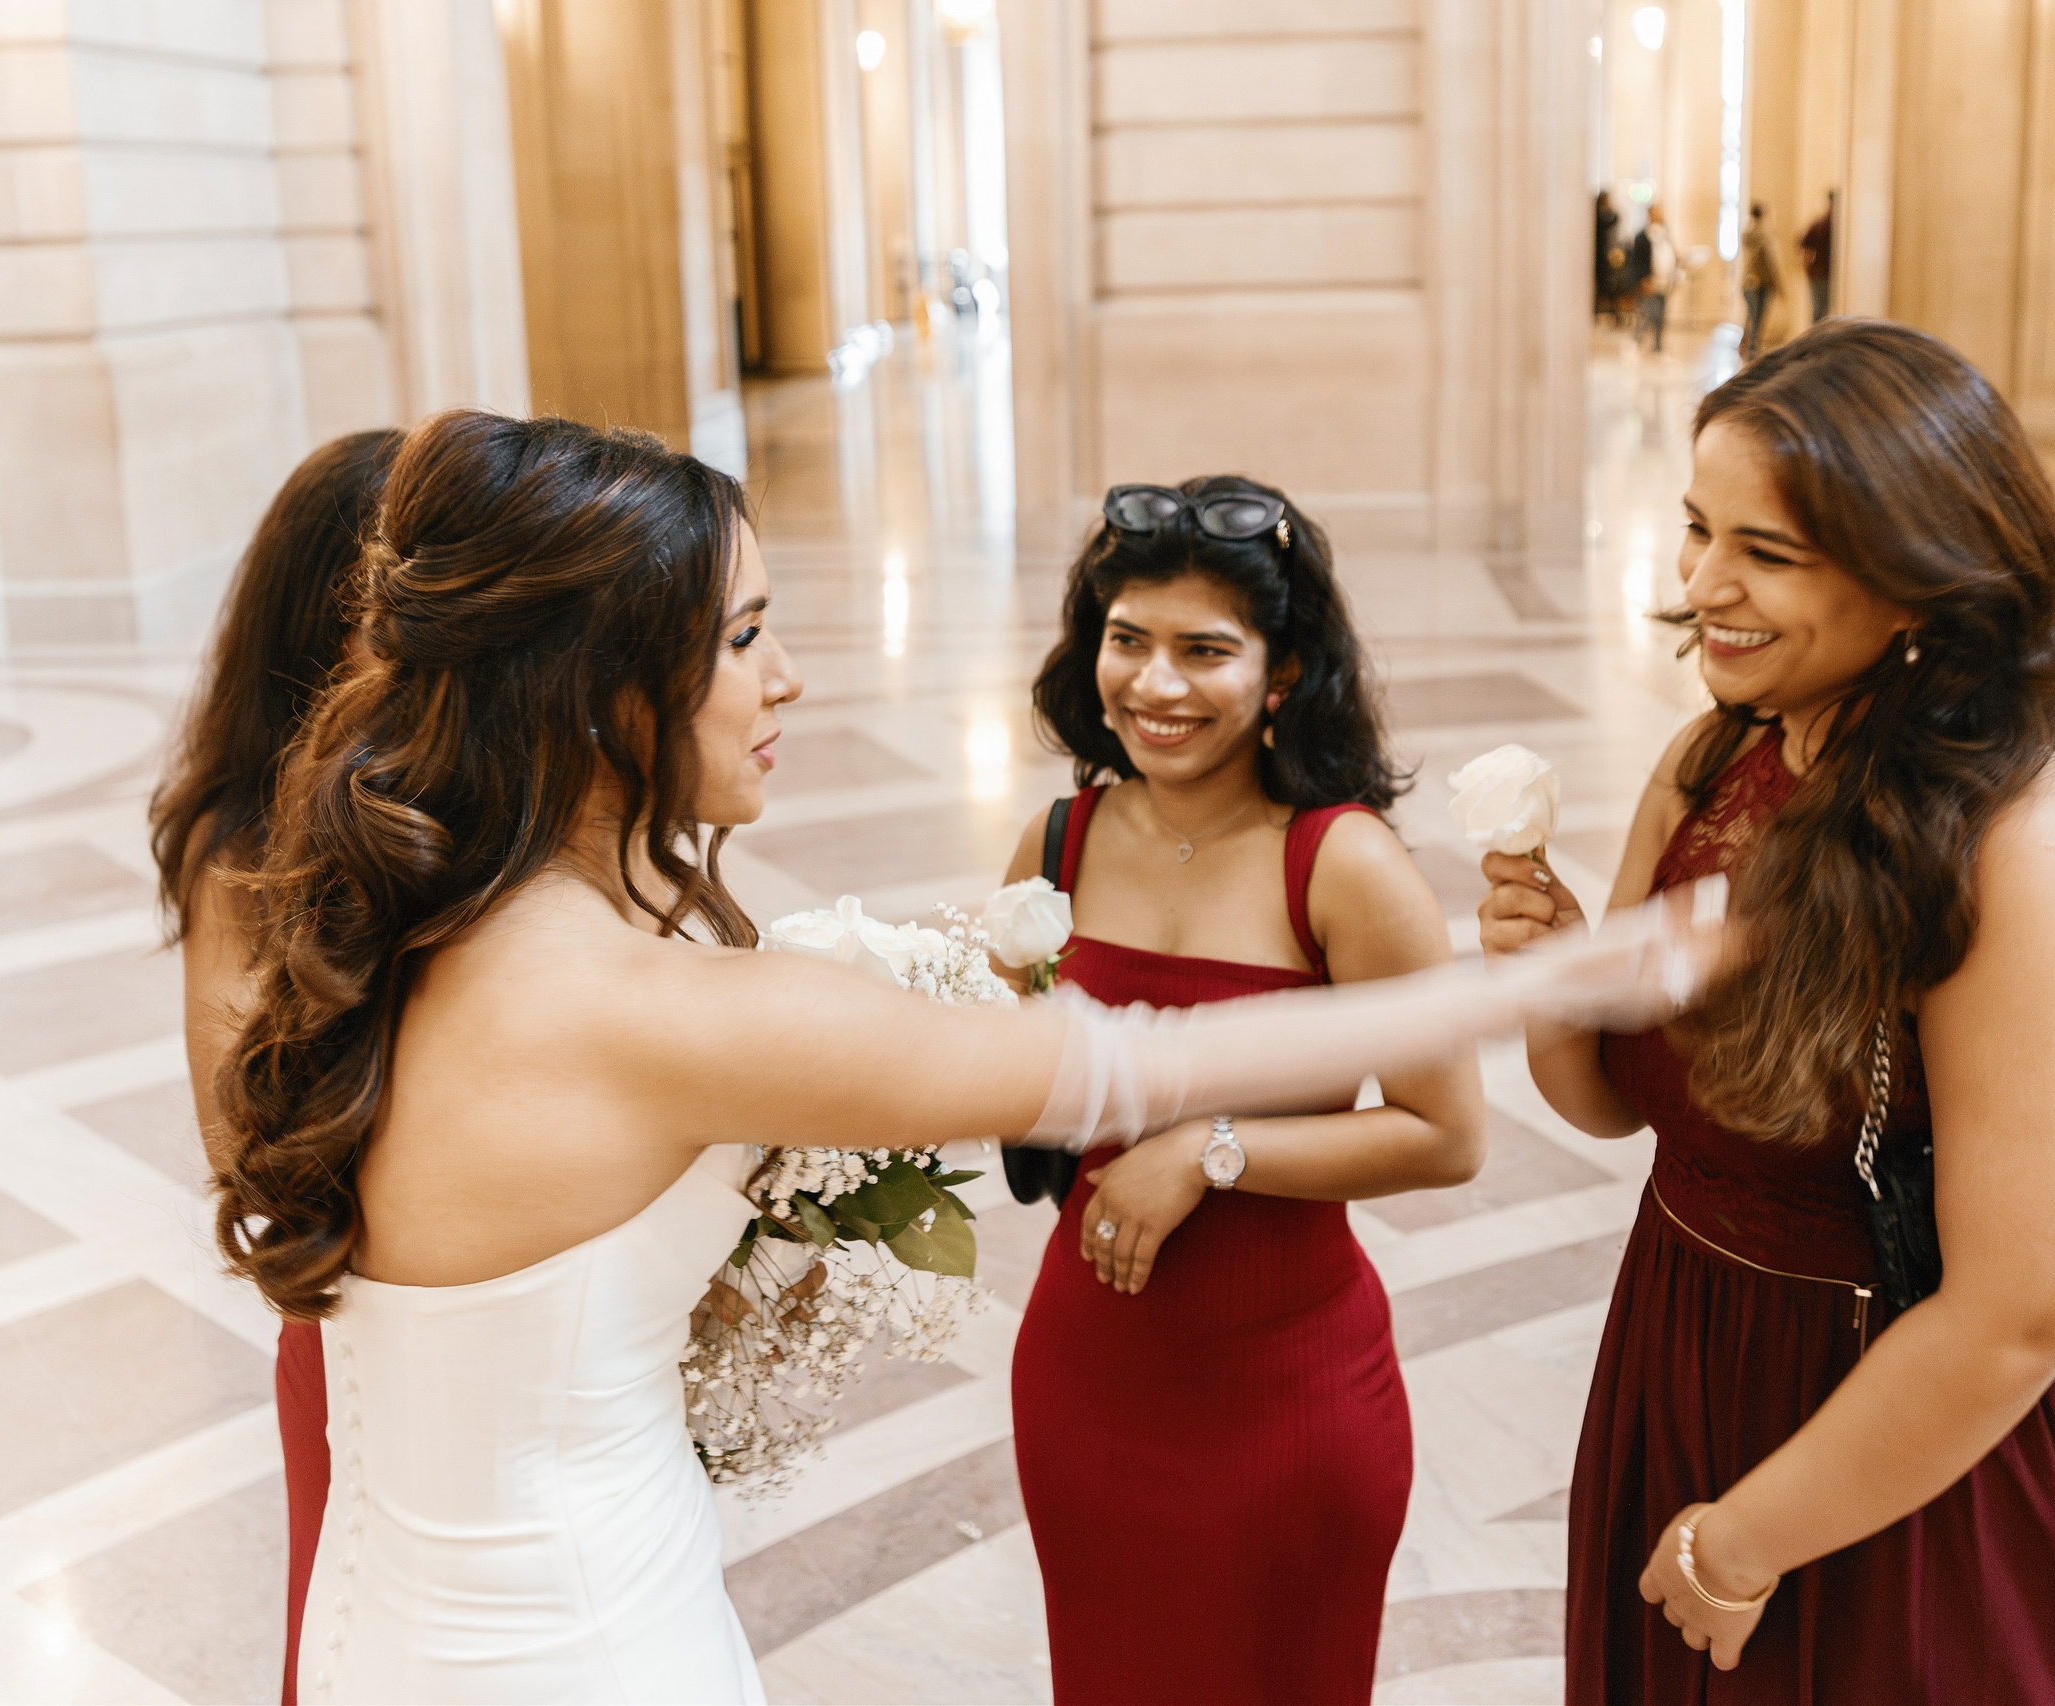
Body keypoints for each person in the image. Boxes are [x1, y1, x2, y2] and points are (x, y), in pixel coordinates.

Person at [214, 409, 1729, 1704]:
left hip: (383, 1631)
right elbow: (1123, 1069)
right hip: (583, 1639)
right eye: (744, 639)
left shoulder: (392, 925)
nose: (790, 676)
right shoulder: (644, 1006)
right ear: (604, 692)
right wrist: (1563, 974)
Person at [1477, 319, 2055, 1703]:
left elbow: (2026, 1308)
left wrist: (1746, 1538)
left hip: (1908, 1436)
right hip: (1689, 1345)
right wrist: (1553, 986)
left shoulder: (2013, 843)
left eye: (1764, 553)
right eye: (1696, 529)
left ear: (1920, 579)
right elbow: (1619, 1104)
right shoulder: (1715, 754)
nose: (1700, 584)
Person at [1004, 478, 1485, 1704]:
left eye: (1204, 650)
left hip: (1289, 1399)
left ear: (1281, 675)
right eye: (1127, 639)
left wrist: (1210, 1148)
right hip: (1089, 1372)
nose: (1155, 685)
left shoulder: (1342, 864)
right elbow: (1003, 1070)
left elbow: (1445, 1136)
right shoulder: (1054, 844)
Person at [148, 426, 401, 1706]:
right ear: (323, 626)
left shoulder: (505, 796)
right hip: (370, 1318)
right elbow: (243, 1147)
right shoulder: (241, 846)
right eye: (394, 612)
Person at [1740, 202, 1782, 359]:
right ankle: (1752, 350)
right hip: (1759, 282)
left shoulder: (1747, 234)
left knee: (1752, 316)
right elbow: (1773, 263)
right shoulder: (1765, 236)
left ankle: (1750, 347)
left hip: (1751, 282)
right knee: (1757, 318)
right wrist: (1781, 287)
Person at [1634, 207, 1677, 353]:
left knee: (1661, 316)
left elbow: (1671, 256)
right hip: (1649, 281)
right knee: (1650, 313)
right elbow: (1638, 261)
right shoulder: (1642, 236)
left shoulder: (1665, 235)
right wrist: (1643, 279)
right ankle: (1637, 338)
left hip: (1664, 281)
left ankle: (1658, 345)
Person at [1799, 195, 1834, 324]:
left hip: (1823, 275)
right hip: (1819, 275)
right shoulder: (1821, 225)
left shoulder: (1833, 225)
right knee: (1820, 312)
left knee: (1823, 313)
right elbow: (1805, 249)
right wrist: (1807, 269)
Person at [1595, 190, 1624, 324]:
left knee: (1612, 284)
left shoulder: (1603, 215)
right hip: (1598, 256)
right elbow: (1613, 220)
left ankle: (1614, 312)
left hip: (1605, 256)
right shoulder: (1597, 216)